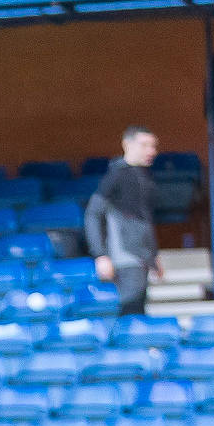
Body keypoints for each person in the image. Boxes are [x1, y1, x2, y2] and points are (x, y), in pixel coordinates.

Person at [86, 128, 160, 318]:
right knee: (131, 308)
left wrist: (153, 255)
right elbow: (93, 214)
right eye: (144, 145)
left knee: (139, 306)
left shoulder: (145, 176)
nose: (151, 151)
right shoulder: (116, 176)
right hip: (125, 255)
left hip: (142, 255)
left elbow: (144, 220)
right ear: (127, 145)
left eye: (153, 146)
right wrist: (100, 255)